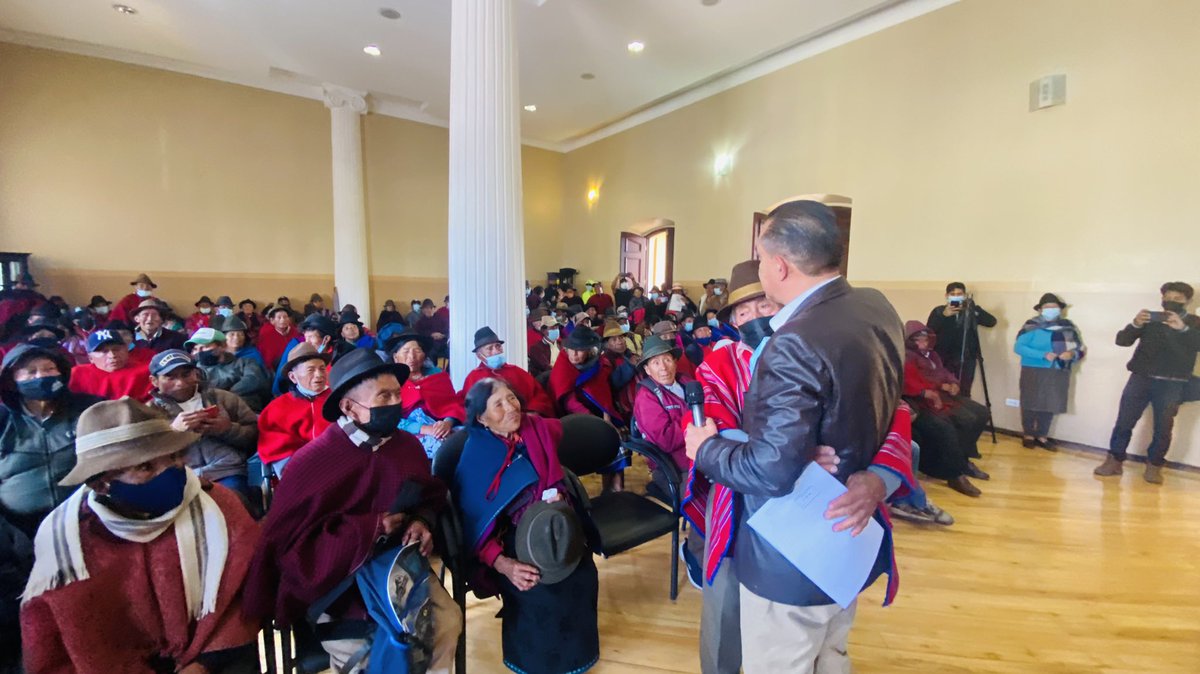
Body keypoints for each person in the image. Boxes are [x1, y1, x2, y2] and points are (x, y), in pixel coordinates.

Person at [684, 201, 908, 673]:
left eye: (762, 261)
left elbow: (771, 468)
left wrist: (705, 448)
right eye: (743, 309)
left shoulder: (794, 340)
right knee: (829, 651)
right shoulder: (874, 305)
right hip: (840, 531)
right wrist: (803, 453)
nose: (754, 312)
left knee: (785, 656)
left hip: (793, 543)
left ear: (779, 267)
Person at [244, 349, 460, 674]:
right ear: (348, 407)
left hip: (397, 569)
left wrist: (421, 521)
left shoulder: (406, 446)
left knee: (446, 624)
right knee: (370, 654)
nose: (395, 403)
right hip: (337, 582)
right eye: (383, 396)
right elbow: (289, 546)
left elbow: (429, 497)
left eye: (397, 394)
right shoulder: (313, 462)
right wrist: (370, 528)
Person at [21, 398, 261, 673]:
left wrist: (205, 664)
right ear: (101, 484)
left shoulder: (217, 506)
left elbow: (245, 595)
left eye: (174, 456)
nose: (171, 471)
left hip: (218, 657)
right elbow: (70, 638)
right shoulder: (68, 542)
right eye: (146, 467)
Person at [453, 378, 600, 674]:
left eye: (511, 398)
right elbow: (472, 522)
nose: (511, 408)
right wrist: (503, 564)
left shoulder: (536, 429)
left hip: (550, 525)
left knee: (583, 574)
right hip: (508, 538)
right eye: (498, 404)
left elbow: (558, 462)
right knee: (536, 585)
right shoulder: (477, 454)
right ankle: (533, 665)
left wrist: (559, 496)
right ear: (481, 418)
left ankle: (578, 660)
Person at [1095, 281, 1200, 484]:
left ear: (1188, 301)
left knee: (1163, 428)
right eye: (1167, 297)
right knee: (1124, 421)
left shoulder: (1195, 323)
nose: (1171, 301)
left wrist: (1183, 329)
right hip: (1140, 378)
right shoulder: (1151, 319)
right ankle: (1114, 461)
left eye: (1177, 298)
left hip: (1173, 383)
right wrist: (1136, 324)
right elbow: (1122, 340)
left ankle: (1154, 466)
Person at [0, 344, 104, 538]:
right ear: (12, 380)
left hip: (88, 517)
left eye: (49, 369)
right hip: (19, 529)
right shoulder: (3, 419)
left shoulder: (90, 408)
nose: (41, 376)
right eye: (31, 372)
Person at [148, 350, 258, 500]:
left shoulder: (224, 398)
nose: (180, 383)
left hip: (227, 471)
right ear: (154, 381)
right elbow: (145, 456)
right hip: (179, 478)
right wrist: (173, 432)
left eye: (186, 374)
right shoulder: (149, 413)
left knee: (234, 502)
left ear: (196, 373)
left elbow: (255, 437)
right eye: (170, 377)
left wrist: (228, 429)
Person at [904, 320, 990, 496]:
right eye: (918, 339)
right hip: (920, 400)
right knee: (949, 426)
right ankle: (955, 475)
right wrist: (937, 387)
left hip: (943, 395)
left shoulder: (933, 355)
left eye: (925, 338)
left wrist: (953, 383)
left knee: (981, 413)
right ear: (910, 340)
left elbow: (944, 372)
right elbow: (909, 382)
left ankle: (963, 461)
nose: (923, 342)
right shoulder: (907, 356)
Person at [1014, 293, 1086, 449]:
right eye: (1047, 307)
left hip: (1058, 370)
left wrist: (1072, 354)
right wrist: (1043, 355)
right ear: (1040, 310)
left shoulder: (1068, 327)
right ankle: (1028, 434)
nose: (1051, 309)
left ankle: (1042, 436)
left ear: (1060, 309)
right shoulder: (1031, 325)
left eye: (1054, 307)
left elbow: (1080, 348)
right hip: (1033, 369)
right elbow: (1019, 347)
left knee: (1050, 403)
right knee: (1029, 403)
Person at [256, 344, 332, 476]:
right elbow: (276, 447)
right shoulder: (277, 408)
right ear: (293, 377)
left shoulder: (339, 399)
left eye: (322, 369)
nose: (319, 375)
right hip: (301, 468)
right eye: (311, 370)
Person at [388, 330, 465, 459]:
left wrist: (447, 423)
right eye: (406, 351)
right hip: (407, 433)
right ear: (396, 357)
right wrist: (424, 428)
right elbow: (390, 418)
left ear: (424, 356)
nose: (412, 356)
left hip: (442, 428)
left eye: (417, 351)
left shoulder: (438, 376)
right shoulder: (389, 382)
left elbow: (454, 404)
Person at [460, 327, 556, 417]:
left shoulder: (516, 371)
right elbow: (471, 410)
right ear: (479, 356)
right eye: (490, 348)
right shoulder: (473, 378)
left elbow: (539, 395)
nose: (496, 351)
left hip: (526, 420)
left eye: (498, 346)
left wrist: (532, 412)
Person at [925, 282, 997, 397]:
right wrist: (944, 316)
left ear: (964, 296)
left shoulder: (971, 310)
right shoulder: (939, 311)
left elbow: (991, 322)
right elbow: (929, 331)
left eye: (959, 294)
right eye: (953, 294)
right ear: (947, 296)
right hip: (944, 358)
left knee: (964, 391)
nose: (956, 297)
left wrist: (973, 309)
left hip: (967, 358)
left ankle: (963, 408)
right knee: (944, 390)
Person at [188, 328, 271, 412]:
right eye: (195, 349)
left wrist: (224, 394)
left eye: (205, 347)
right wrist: (235, 381)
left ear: (222, 346)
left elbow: (254, 380)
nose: (199, 352)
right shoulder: (195, 372)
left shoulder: (246, 363)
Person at [68, 329, 153, 402]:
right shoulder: (77, 374)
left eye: (117, 349)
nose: (112, 355)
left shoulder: (146, 371)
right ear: (90, 358)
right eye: (104, 351)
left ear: (127, 350)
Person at [257, 305, 300, 372]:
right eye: (279, 317)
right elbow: (266, 355)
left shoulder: (295, 331)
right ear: (272, 320)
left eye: (285, 317)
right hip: (276, 366)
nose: (283, 320)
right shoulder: (266, 333)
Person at [415, 299, 450, 363]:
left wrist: (443, 335)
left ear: (433, 309)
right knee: (430, 353)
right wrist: (431, 334)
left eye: (430, 308)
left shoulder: (441, 318)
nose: (428, 310)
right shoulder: (420, 322)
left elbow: (449, 330)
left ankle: (449, 369)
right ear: (423, 310)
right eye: (426, 308)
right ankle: (433, 368)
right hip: (429, 345)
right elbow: (418, 333)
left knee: (454, 353)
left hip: (443, 344)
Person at [528, 315, 562, 380]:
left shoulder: (561, 344)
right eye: (552, 328)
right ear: (543, 331)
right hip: (546, 380)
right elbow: (546, 367)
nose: (556, 330)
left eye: (557, 327)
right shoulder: (536, 348)